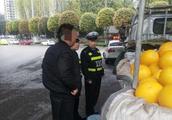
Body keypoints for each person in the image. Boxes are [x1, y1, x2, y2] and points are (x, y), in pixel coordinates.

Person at [42, 23, 82, 120]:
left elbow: (45, 69)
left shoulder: (51, 49)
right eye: (74, 35)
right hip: (65, 95)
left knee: (57, 116)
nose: (76, 37)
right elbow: (65, 74)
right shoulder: (65, 52)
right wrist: (74, 87)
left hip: (54, 92)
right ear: (68, 37)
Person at [80, 31, 104, 116]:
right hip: (91, 78)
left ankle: (92, 110)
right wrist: (88, 78)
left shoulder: (97, 51)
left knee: (95, 95)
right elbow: (84, 67)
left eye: (94, 41)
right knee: (90, 96)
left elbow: (99, 63)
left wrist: (102, 72)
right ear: (88, 41)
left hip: (98, 77)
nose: (93, 43)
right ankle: (89, 113)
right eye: (91, 41)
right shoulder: (85, 52)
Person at [71, 38, 83, 120]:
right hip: (72, 86)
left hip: (77, 84)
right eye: (77, 43)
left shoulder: (74, 53)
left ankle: (76, 115)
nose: (79, 44)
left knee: (76, 103)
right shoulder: (68, 54)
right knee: (71, 104)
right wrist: (73, 87)